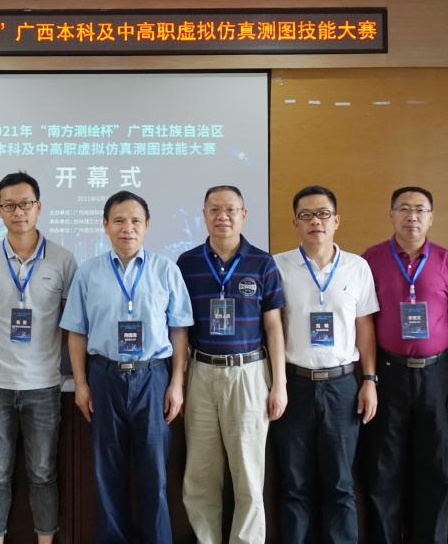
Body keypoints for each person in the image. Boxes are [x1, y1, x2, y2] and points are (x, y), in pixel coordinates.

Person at [60, 190, 193, 544]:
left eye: (135, 220)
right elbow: (76, 331)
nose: (127, 228)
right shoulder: (88, 273)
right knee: (107, 473)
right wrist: (81, 383)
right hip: (104, 376)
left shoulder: (166, 270)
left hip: (153, 376)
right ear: (105, 225)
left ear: (147, 225)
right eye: (118, 220)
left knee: (155, 473)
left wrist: (176, 383)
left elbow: (179, 330)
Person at [0, 172, 77, 544]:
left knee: (43, 473)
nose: (18, 212)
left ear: (39, 206)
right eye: (9, 205)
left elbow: (70, 323)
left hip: (44, 385)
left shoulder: (63, 260)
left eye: (25, 203)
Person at [362, 186, 448, 543]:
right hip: (388, 373)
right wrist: (369, 377)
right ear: (391, 215)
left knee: (435, 469)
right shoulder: (371, 260)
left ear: (431, 217)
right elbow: (364, 322)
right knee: (384, 468)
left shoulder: (447, 261)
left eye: (420, 210)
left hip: (437, 374)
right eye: (404, 209)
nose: (412, 216)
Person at [177, 185, 285, 544]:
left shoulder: (262, 263)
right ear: (204, 215)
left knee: (248, 476)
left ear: (244, 214)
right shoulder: (187, 263)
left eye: (230, 209)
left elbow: (274, 326)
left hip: (249, 373)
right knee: (200, 475)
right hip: (201, 372)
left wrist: (279, 384)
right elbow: (180, 327)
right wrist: (180, 380)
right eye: (214, 210)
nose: (222, 216)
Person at [272, 184, 379, 544]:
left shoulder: (357, 267)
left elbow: (365, 327)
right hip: (294, 384)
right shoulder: (278, 266)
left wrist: (369, 380)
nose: (315, 221)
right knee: (294, 483)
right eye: (306, 215)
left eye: (323, 214)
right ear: (295, 223)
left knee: (340, 484)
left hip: (342, 385)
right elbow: (271, 327)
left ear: (336, 221)